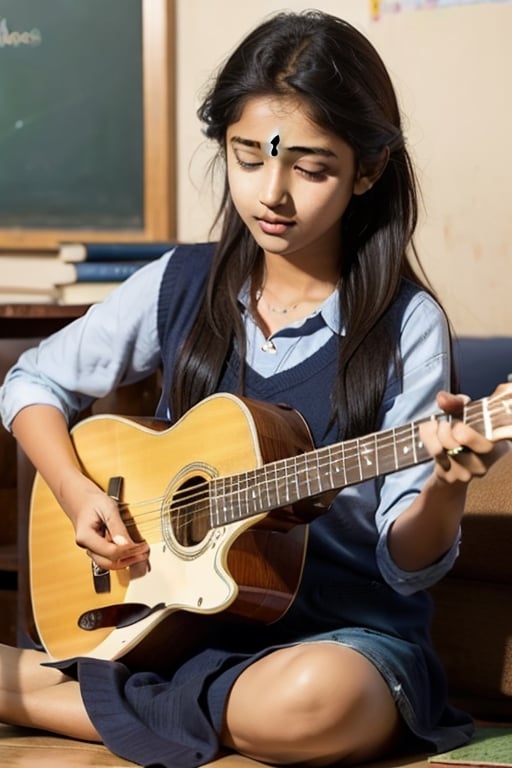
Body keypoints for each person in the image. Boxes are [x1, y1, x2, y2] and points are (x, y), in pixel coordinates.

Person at [0, 9, 509, 768]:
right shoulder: (177, 284)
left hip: (337, 642)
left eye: (310, 168)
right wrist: (77, 492)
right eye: (248, 157)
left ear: (367, 170)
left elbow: (409, 559)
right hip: (177, 625)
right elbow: (31, 380)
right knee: (294, 708)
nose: (272, 193)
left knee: (321, 700)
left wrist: (445, 483)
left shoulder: (407, 325)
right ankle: (135, 702)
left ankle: (49, 697)